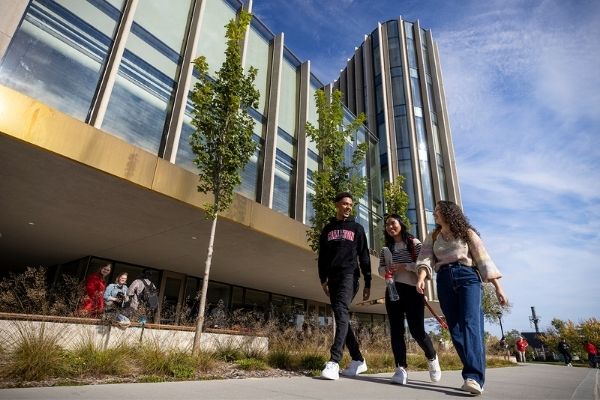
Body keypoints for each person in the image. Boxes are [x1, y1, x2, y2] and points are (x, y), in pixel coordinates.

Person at [415, 200, 507, 396]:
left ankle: (473, 377)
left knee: (470, 324)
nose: (435, 215)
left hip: (468, 278)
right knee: (455, 329)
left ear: (449, 213)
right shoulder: (433, 236)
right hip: (444, 280)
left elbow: (484, 259)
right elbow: (425, 258)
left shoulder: (467, 233)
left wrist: (499, 288)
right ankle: (475, 373)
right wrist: (422, 278)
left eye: (438, 211)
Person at [378, 213, 441, 385]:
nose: (390, 227)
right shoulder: (386, 249)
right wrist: (387, 271)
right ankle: (401, 368)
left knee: (417, 330)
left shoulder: (414, 243)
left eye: (393, 223)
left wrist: (404, 266)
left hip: (413, 290)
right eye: (387, 225)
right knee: (396, 331)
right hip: (392, 290)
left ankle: (432, 357)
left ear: (401, 224)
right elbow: (380, 269)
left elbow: (425, 266)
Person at [318, 192, 371, 380]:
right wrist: (322, 279)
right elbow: (322, 257)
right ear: (337, 205)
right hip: (332, 277)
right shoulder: (327, 229)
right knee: (341, 316)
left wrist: (368, 282)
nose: (348, 207)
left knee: (341, 309)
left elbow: (364, 256)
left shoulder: (357, 228)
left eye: (350, 204)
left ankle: (334, 361)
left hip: (350, 275)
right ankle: (357, 359)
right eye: (344, 204)